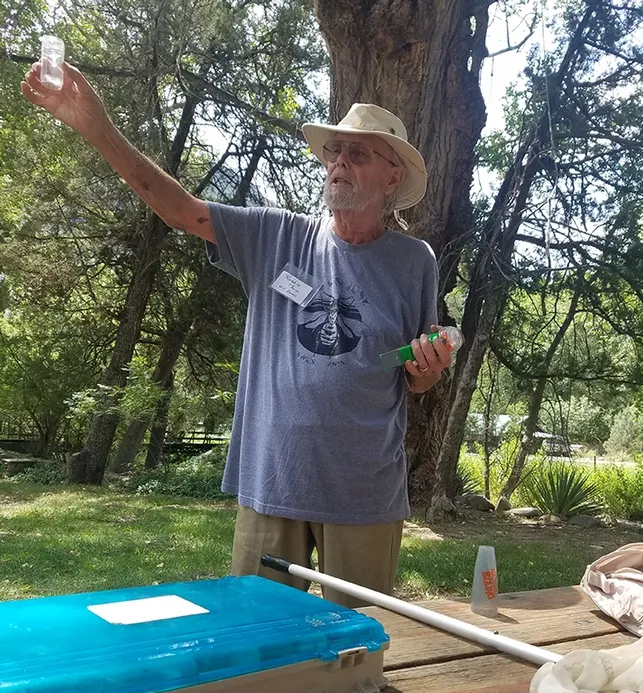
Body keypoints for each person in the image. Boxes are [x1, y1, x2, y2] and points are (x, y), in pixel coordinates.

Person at [21, 61, 452, 607]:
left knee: (355, 645)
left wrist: (427, 368)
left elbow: (414, 378)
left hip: (364, 490)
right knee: (258, 641)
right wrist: (95, 126)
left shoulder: (415, 261)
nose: (339, 163)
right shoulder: (273, 237)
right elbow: (178, 208)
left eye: (359, 153)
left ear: (393, 177)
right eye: (334, 152)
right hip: (274, 478)